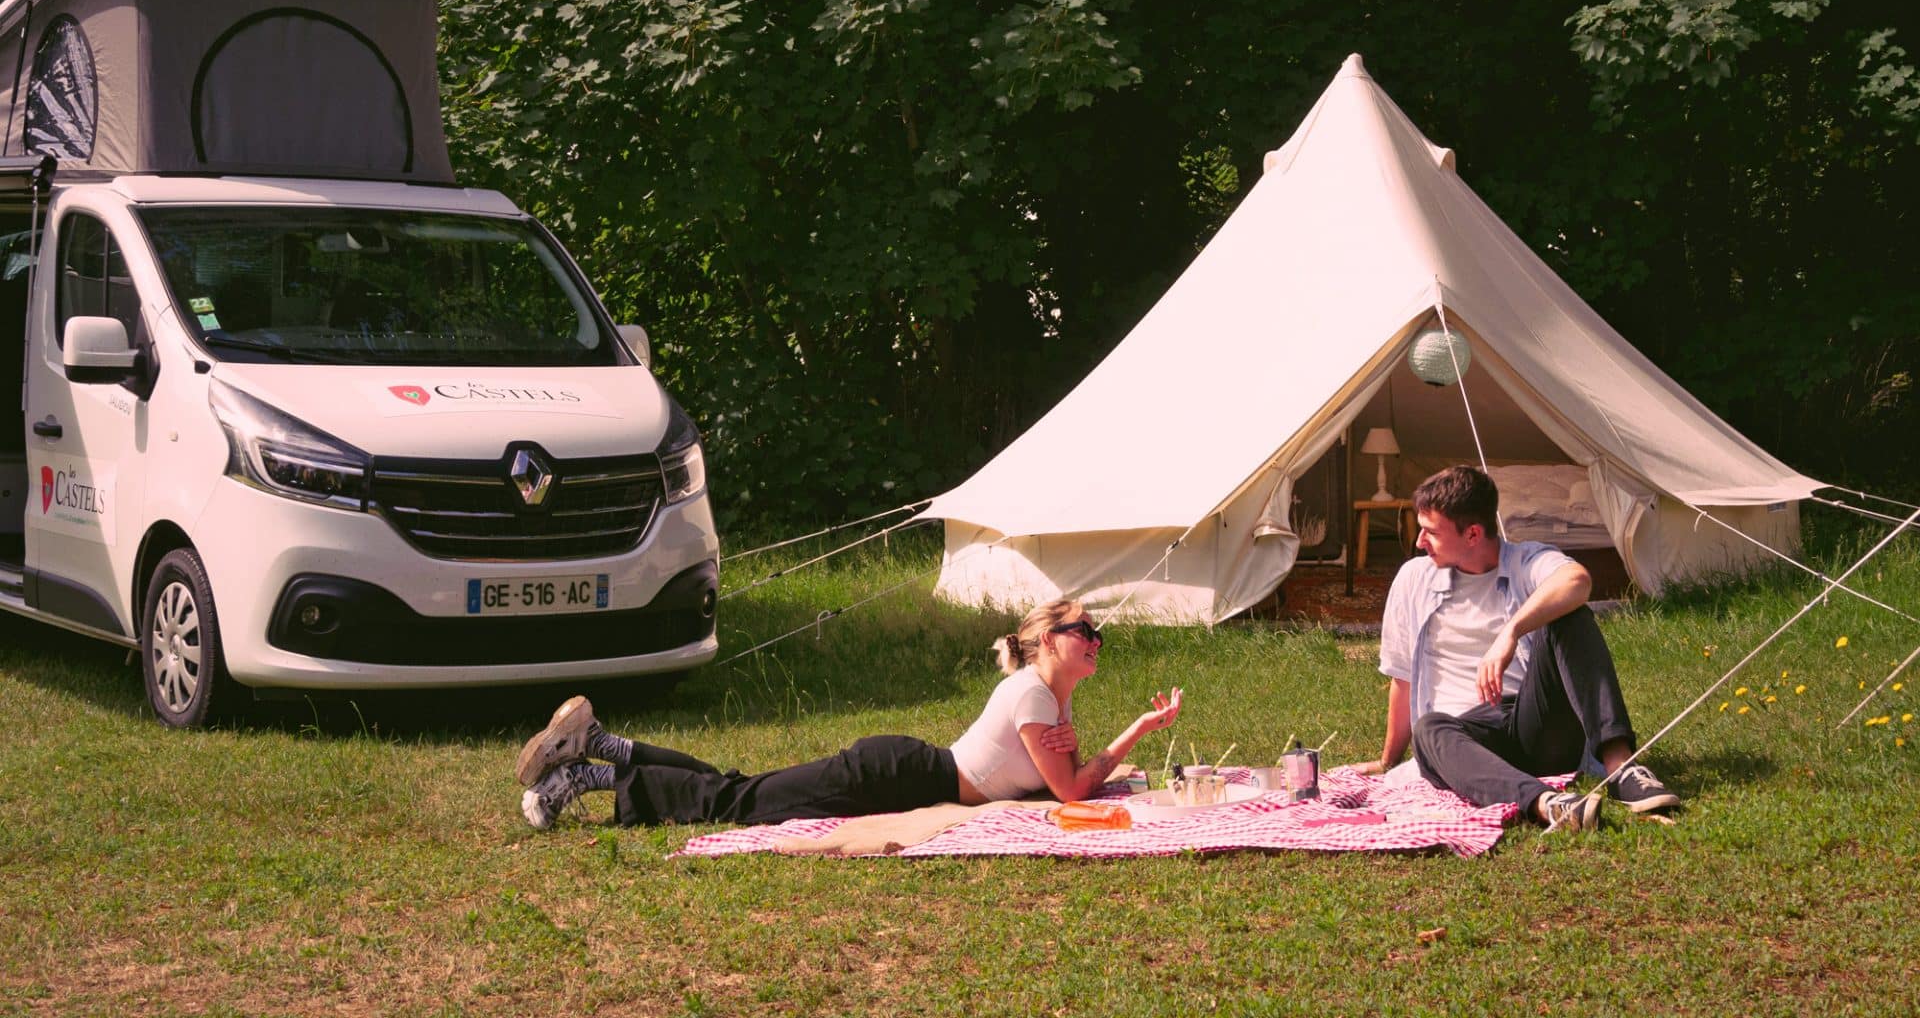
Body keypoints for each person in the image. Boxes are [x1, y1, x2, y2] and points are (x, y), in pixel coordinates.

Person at [514, 597, 1183, 829]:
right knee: (735, 801)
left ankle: (601, 744)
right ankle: (586, 777)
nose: (1096, 641)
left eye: (1099, 636)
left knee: (736, 788)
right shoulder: (1035, 693)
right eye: (1085, 632)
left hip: (903, 771)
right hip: (891, 776)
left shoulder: (1052, 694)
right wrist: (1139, 731)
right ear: (1050, 640)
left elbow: (1061, 778)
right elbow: (1071, 788)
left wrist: (1091, 752)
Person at [1345, 465, 1680, 831]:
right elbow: (1403, 678)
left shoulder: (1525, 562)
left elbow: (1577, 581)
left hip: (1532, 724)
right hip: (1464, 744)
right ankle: (1548, 805)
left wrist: (1511, 632)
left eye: (1431, 533)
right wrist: (1386, 760)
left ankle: (1622, 769)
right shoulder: (1414, 578)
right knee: (1430, 728)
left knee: (1570, 616)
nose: (1419, 542)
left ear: (1473, 534)